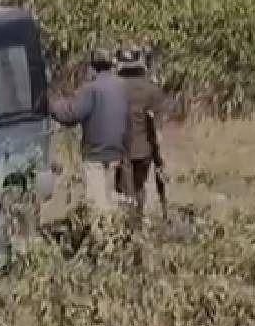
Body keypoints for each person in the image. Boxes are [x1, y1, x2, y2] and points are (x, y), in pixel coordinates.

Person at [49, 49, 130, 215]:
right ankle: (115, 234)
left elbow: (70, 115)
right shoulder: (122, 87)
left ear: (93, 66)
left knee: (97, 205)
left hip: (95, 154)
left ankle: (102, 237)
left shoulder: (91, 89)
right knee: (109, 199)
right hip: (116, 151)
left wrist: (50, 103)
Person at [113, 46, 167, 221]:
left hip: (122, 148)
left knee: (124, 190)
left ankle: (129, 226)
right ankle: (138, 220)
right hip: (145, 149)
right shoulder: (152, 90)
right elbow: (157, 128)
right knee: (139, 187)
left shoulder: (115, 89)